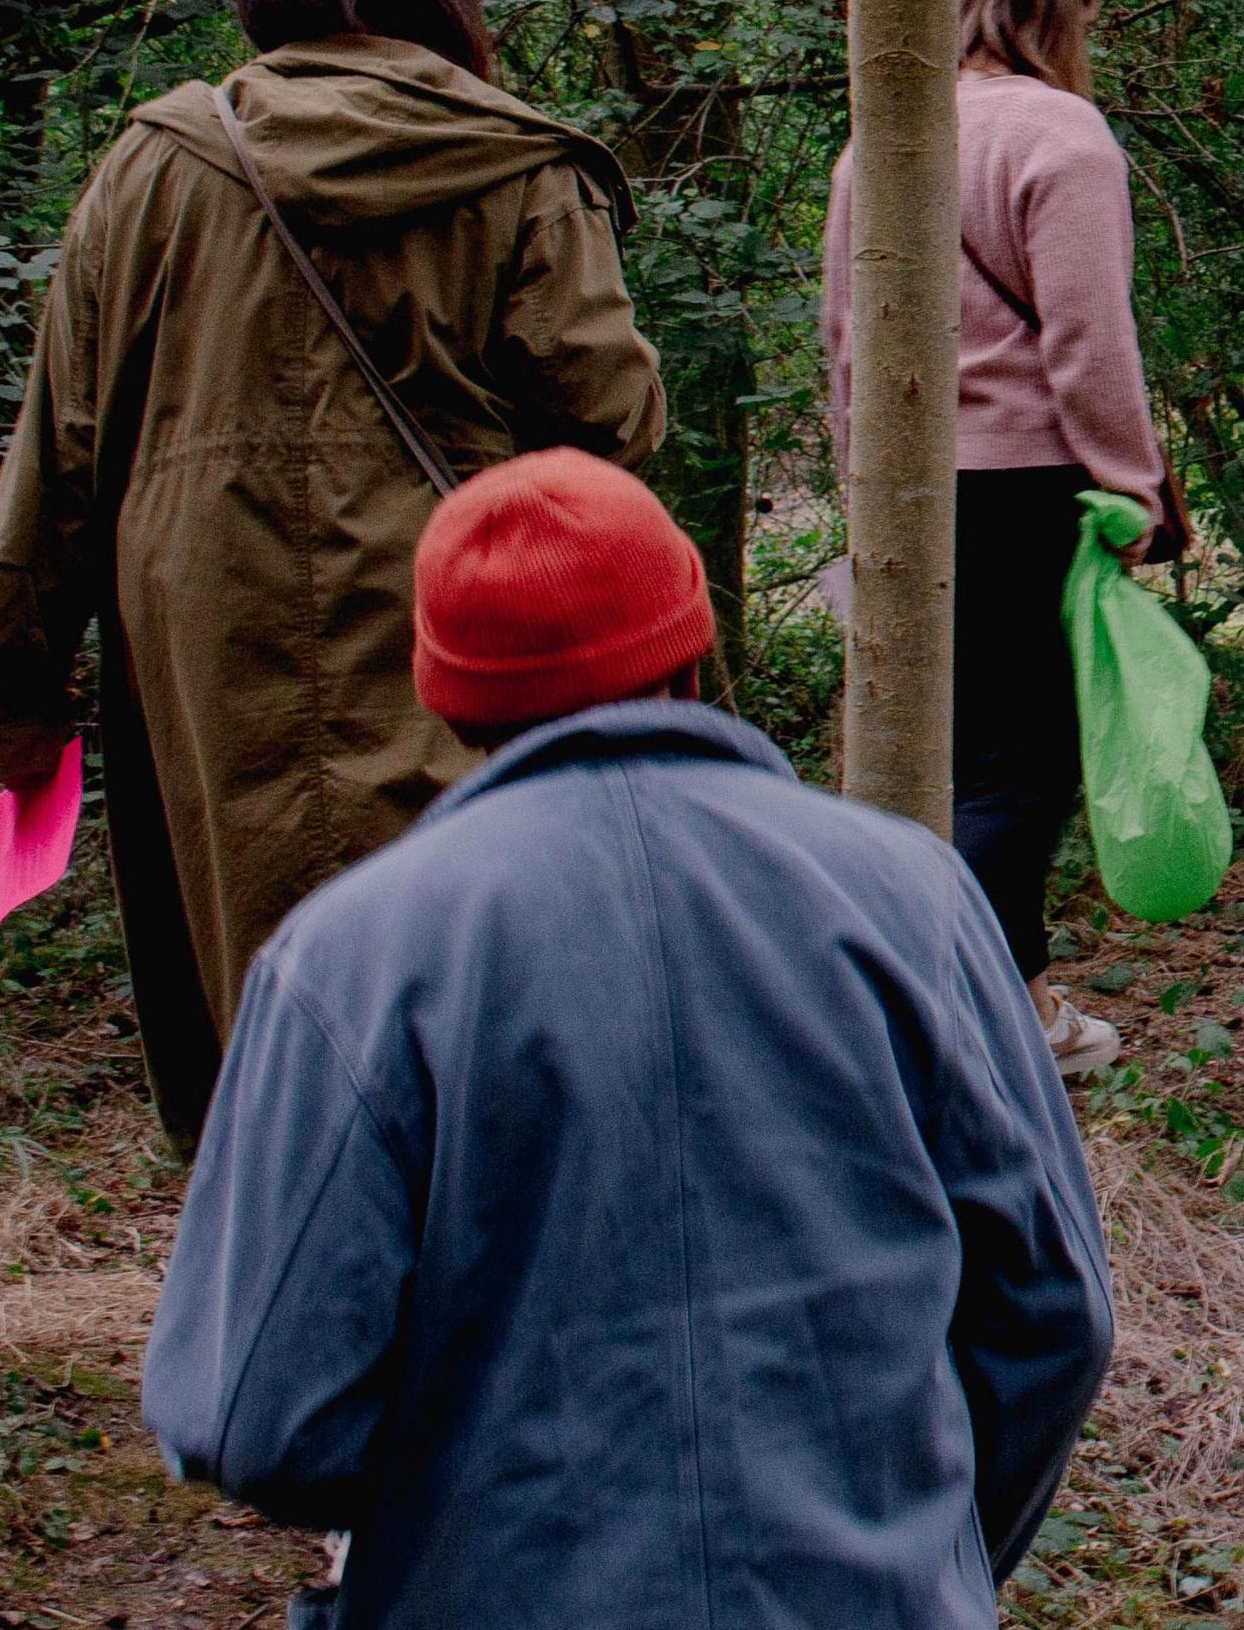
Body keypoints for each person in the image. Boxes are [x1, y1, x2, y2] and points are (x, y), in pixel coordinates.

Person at [145, 449, 1114, 1630]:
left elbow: (254, 1418)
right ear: (694, 652)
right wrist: (928, 1559)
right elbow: (1055, 1317)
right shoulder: (917, 895)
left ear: (445, 700)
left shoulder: (352, 954)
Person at [0, 0, 665, 1149]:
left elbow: (56, 460)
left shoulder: (153, 170)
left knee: (279, 1037)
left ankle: (293, 1292)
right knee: (475, 1012)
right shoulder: (515, 170)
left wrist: (14, 707)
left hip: (218, 670)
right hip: (470, 657)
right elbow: (610, 430)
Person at [825, 0, 1186, 1077]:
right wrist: (1132, 486)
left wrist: (857, 479)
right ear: (1059, 10)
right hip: (1031, 484)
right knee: (1027, 770)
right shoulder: (1064, 136)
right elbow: (1088, 340)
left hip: (908, 491)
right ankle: (908, 1017)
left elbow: (844, 341)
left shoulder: (879, 137)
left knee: (962, 757)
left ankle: (1022, 1002)